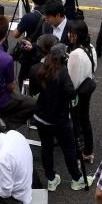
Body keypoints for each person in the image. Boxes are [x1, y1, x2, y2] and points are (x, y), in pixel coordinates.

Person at [30, 43, 92, 191]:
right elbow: (71, 93)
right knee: (69, 149)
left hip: (40, 117)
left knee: (47, 148)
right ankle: (77, 178)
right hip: (59, 120)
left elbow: (33, 90)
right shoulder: (62, 72)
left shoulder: (37, 69)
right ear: (63, 57)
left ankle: (51, 179)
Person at [66, 19, 97, 163]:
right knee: (85, 120)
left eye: (70, 33)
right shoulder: (90, 47)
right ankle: (88, 151)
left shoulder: (75, 54)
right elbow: (94, 67)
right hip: (88, 88)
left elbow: (71, 80)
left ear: (75, 36)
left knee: (76, 122)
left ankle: (78, 151)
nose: (68, 35)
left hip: (77, 93)